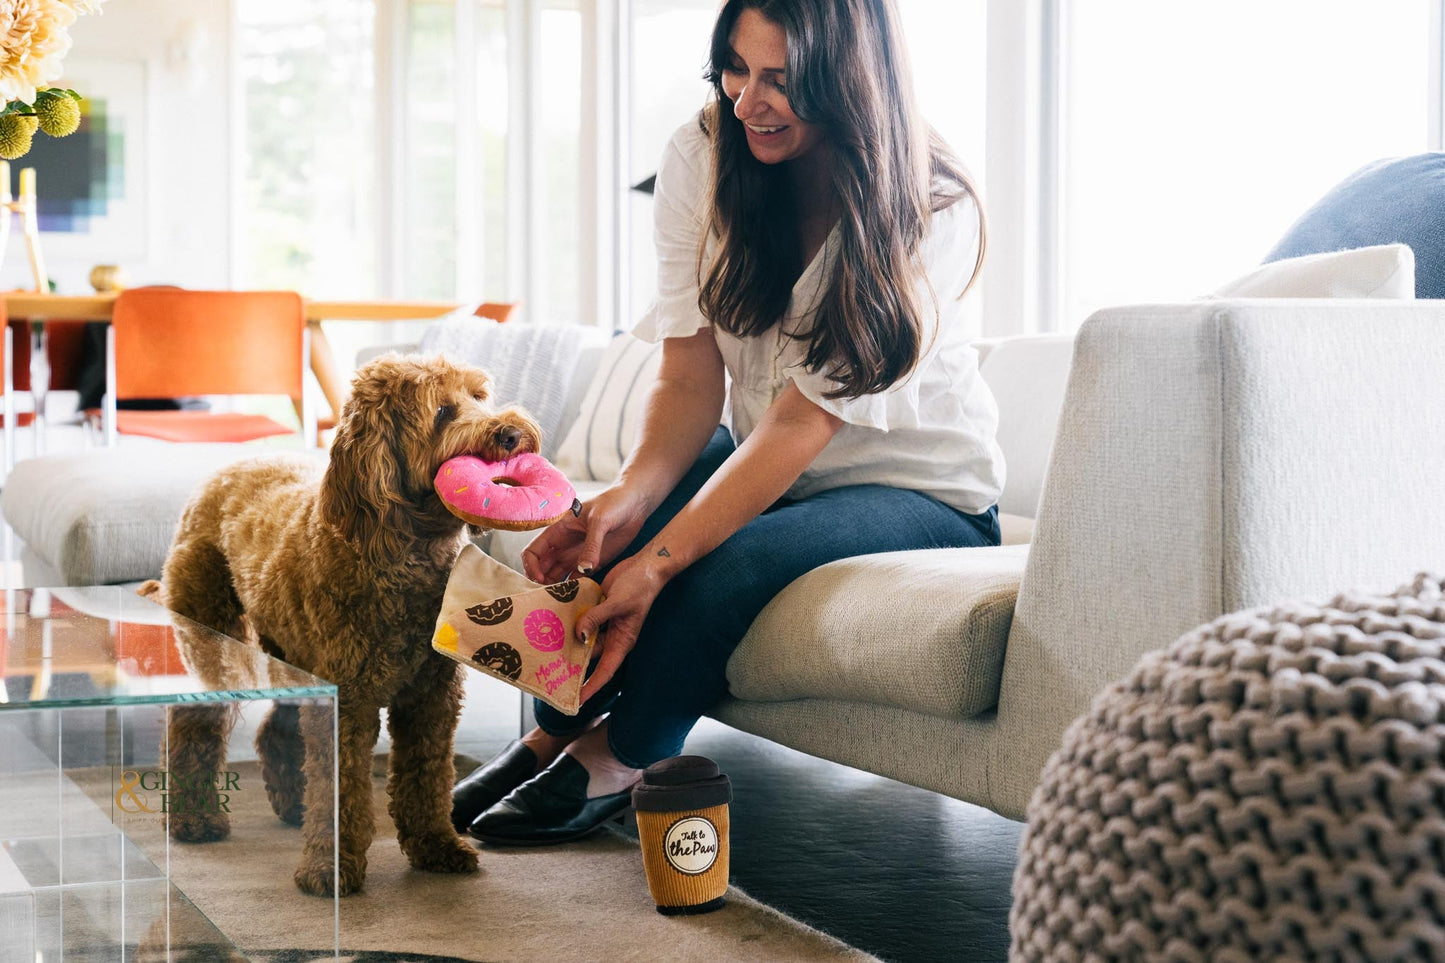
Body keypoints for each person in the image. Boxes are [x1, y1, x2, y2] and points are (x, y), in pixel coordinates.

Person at [454, 0, 1005, 845]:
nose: (749, 100)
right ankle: (551, 733)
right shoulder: (703, 152)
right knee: (606, 542)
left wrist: (661, 556)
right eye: (736, 69)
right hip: (766, 454)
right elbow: (686, 375)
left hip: (917, 490)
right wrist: (627, 500)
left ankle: (622, 756)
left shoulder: (929, 205)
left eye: (782, 80)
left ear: (851, 80)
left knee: (705, 567)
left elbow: (798, 428)